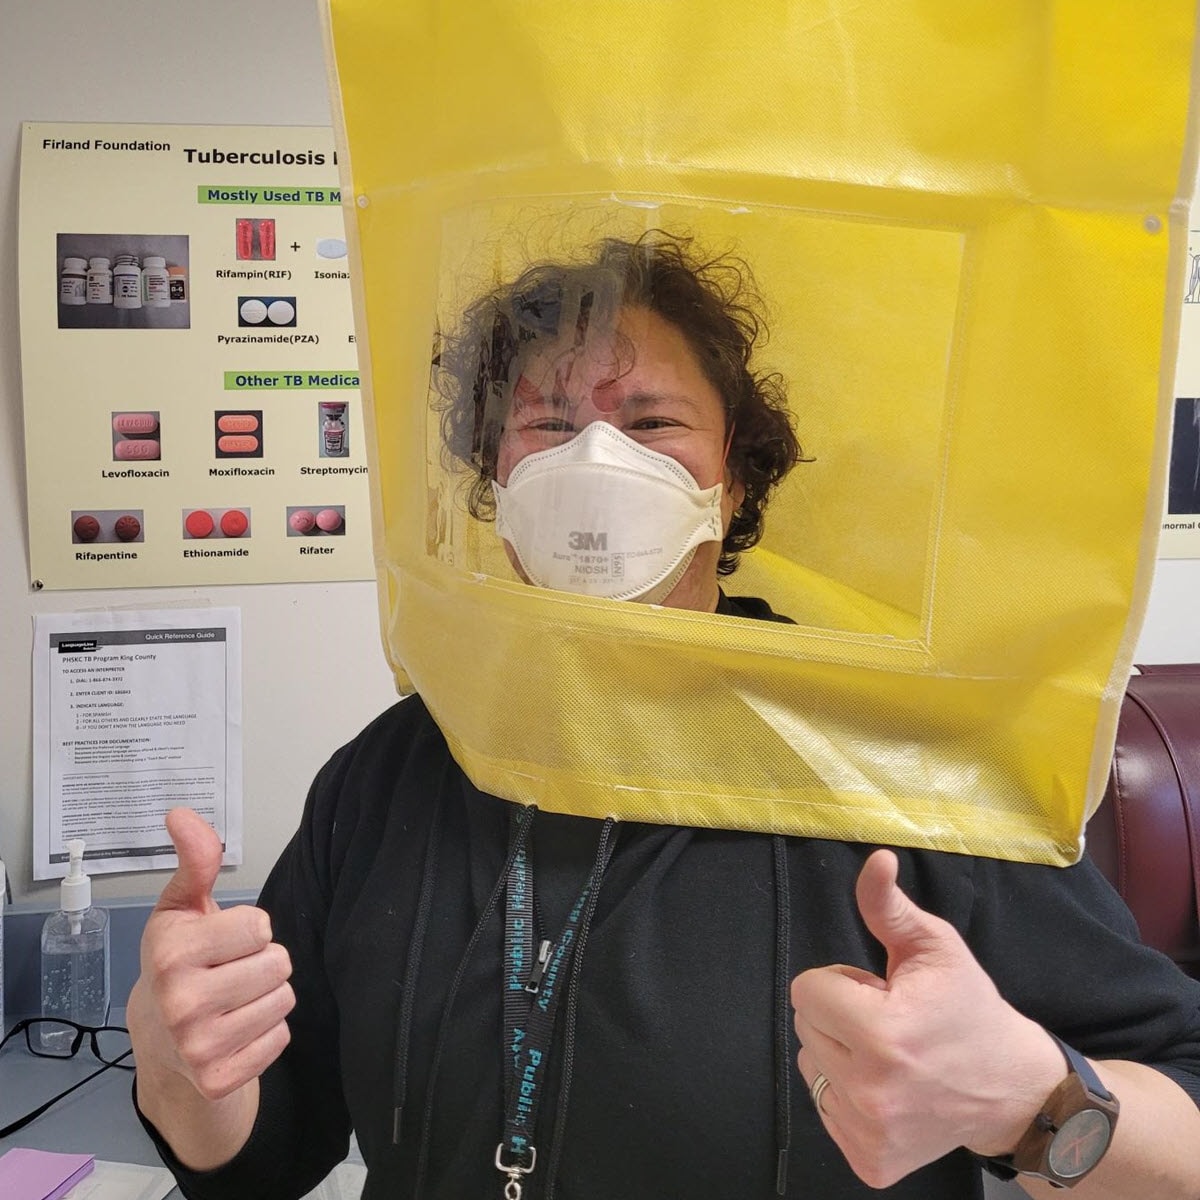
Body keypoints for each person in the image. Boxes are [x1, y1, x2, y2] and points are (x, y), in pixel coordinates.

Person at [129, 232, 1200, 1199]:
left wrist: (1031, 1105)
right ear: (495, 481)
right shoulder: (397, 769)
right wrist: (183, 1076)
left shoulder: (897, 758)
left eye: (651, 424)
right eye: (550, 423)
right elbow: (263, 1160)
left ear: (732, 484)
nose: (599, 462)